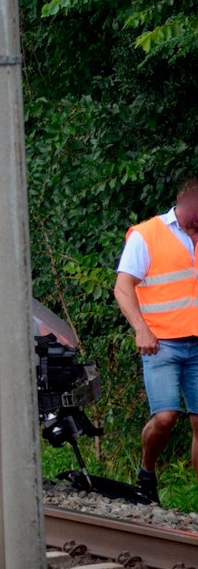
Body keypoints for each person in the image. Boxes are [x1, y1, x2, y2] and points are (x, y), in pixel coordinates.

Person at [114, 178, 198, 504]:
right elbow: (123, 288)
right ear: (182, 201)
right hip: (161, 342)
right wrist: (141, 328)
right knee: (165, 418)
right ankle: (146, 472)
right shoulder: (147, 234)